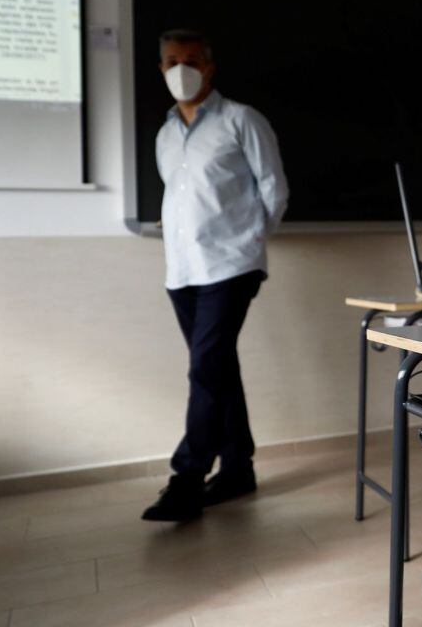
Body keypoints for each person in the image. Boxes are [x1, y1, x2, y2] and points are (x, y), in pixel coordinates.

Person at [141, 29, 289, 522]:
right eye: (170, 60)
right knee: (218, 366)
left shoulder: (240, 120)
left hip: (231, 265)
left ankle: (186, 478)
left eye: (189, 59)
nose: (180, 68)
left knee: (206, 366)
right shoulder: (165, 135)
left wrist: (250, 240)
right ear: (160, 69)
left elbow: (273, 187)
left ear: (208, 67)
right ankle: (238, 468)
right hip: (182, 269)